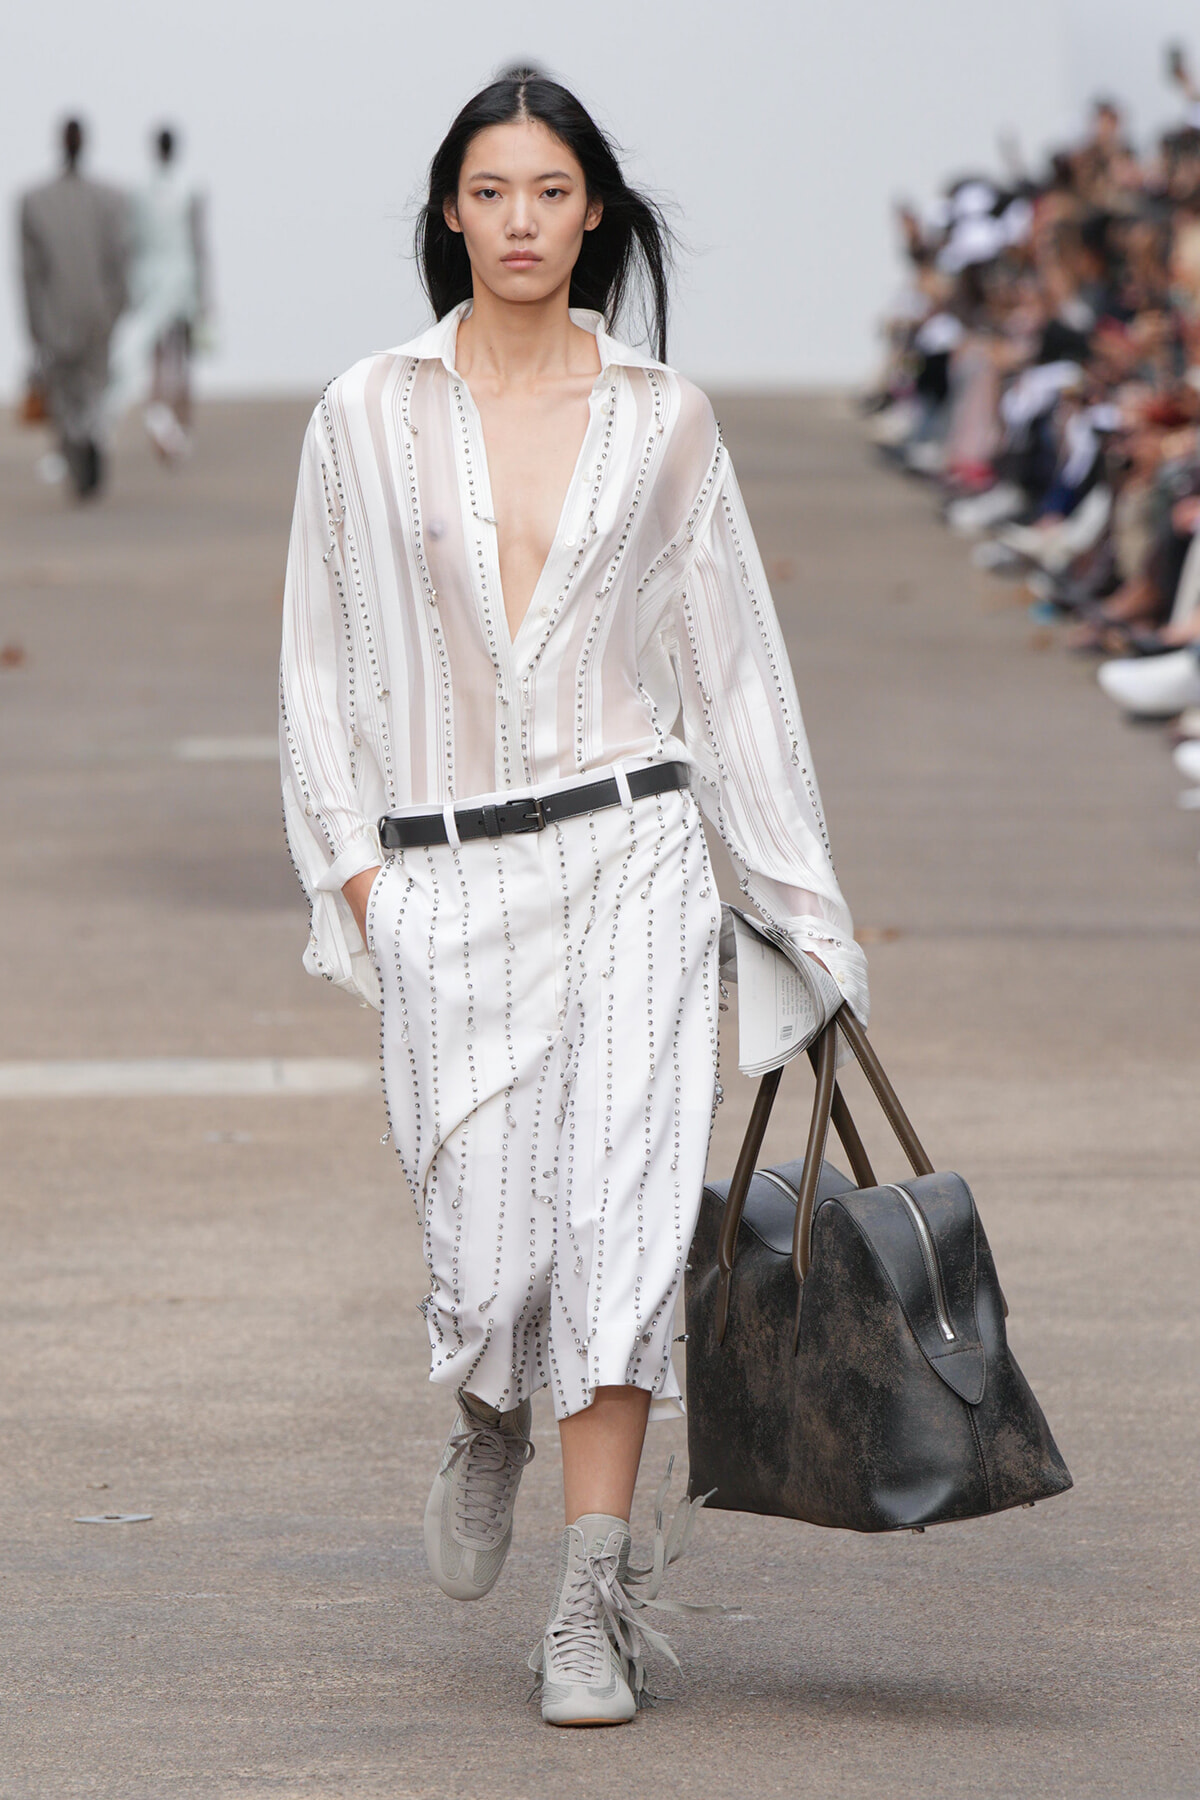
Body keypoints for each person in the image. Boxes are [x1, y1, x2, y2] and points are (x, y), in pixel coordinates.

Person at [279, 70, 867, 1726]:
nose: (521, 220)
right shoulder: (365, 414)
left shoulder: (661, 418)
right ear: (449, 213)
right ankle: (487, 1417)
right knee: (490, 1261)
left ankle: (592, 1598)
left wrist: (805, 908)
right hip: (447, 877)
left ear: (592, 209)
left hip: (632, 855)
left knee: (617, 1231)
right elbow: (317, 671)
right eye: (491, 191)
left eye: (550, 190)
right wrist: (362, 883)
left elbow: (734, 673)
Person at [19, 118, 128, 498]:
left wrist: (34, 324)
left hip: (57, 319)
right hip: (98, 314)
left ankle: (79, 453)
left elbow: (30, 274)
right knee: (92, 392)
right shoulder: (110, 200)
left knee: (66, 397)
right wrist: (117, 307)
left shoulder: (35, 202)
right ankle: (88, 446)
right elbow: (120, 262)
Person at [106, 125, 209, 461]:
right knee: (176, 357)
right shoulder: (186, 189)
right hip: (173, 280)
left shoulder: (142, 190)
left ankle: (168, 423)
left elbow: (128, 242)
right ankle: (175, 424)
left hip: (156, 280)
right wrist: (204, 293)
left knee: (161, 356)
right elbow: (197, 244)